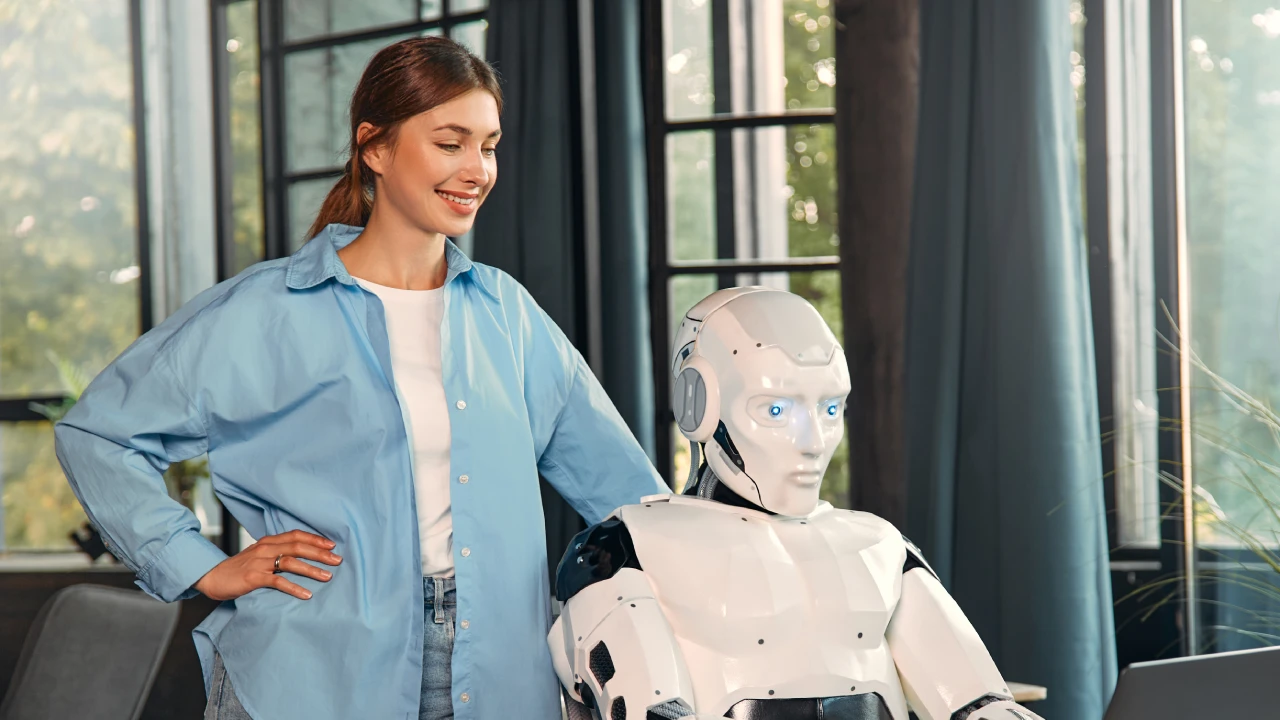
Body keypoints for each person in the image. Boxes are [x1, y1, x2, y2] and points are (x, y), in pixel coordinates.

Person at [54, 36, 665, 720]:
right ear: (374, 147)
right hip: (313, 675)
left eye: (488, 145)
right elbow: (98, 434)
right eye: (450, 142)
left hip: (501, 671)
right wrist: (197, 564)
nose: (476, 169)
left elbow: (624, 488)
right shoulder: (264, 311)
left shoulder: (505, 313)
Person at [549, 287, 1044, 720]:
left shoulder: (880, 546)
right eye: (776, 409)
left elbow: (980, 704)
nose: (813, 441)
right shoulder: (624, 549)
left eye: (831, 409)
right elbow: (653, 711)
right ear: (699, 403)